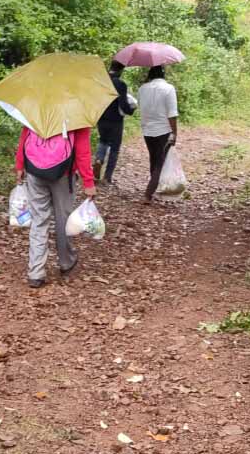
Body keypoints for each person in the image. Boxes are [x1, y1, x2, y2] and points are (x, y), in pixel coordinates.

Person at [15, 125, 96, 288]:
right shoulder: (77, 116)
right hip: (63, 174)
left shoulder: (36, 111)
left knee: (39, 221)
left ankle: (36, 272)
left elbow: (25, 136)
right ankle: (66, 262)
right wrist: (88, 182)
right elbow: (82, 152)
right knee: (63, 220)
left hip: (34, 170)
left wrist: (19, 165)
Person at [137, 65, 178, 203]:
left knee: (153, 159)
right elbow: (172, 114)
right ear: (163, 74)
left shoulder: (142, 89)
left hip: (147, 130)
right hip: (163, 130)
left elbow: (141, 107)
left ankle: (153, 188)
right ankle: (148, 194)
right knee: (160, 162)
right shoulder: (169, 89)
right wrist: (174, 132)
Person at [93, 58, 136, 186]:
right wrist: (131, 110)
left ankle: (99, 160)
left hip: (101, 118)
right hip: (116, 120)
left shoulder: (101, 82)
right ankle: (107, 177)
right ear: (121, 70)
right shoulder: (120, 84)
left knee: (103, 141)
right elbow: (123, 104)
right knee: (115, 148)